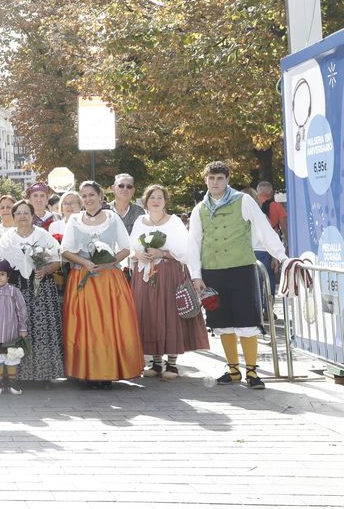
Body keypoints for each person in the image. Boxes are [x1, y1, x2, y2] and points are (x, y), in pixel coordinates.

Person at [189, 161, 287, 389]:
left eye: (220, 178)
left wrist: (281, 256)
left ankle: (252, 372)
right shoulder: (199, 209)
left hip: (241, 269)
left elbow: (264, 229)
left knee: (246, 320)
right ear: (205, 180)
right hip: (212, 271)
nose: (215, 182)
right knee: (221, 322)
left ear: (227, 179)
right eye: (211, 178)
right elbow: (194, 242)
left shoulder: (243, 201)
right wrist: (196, 275)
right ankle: (233, 370)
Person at [61, 181, 145, 388]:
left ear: (100, 196)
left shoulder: (112, 218)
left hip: (108, 278)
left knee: (107, 324)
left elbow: (127, 248)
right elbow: (65, 250)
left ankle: (108, 370)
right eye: (85, 196)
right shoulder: (74, 220)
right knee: (85, 325)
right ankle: (86, 371)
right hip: (83, 276)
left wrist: (108, 262)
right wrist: (85, 263)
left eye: (92, 195)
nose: (88, 199)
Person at [129, 184, 209, 379]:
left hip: (169, 272)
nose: (156, 201)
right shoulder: (140, 221)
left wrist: (162, 253)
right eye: (152, 198)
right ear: (146, 201)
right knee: (150, 314)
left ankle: (172, 364)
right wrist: (139, 254)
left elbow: (185, 249)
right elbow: (131, 246)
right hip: (145, 273)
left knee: (170, 313)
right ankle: (156, 362)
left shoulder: (173, 222)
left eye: (160, 198)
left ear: (165, 201)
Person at [0, 200, 65, 381]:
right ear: (13, 216)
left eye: (26, 213)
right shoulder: (8, 237)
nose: (22, 216)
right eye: (18, 213)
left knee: (42, 329)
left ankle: (45, 374)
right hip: (16, 290)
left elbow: (58, 259)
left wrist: (46, 269)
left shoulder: (42, 235)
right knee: (17, 330)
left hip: (41, 291)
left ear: (33, 216)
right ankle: (18, 374)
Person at [0, 260, 30, 395]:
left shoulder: (14, 291)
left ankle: (12, 383)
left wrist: (22, 328)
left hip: (10, 332)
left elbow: (22, 310)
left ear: (8, 276)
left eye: (2, 274)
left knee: (11, 357)